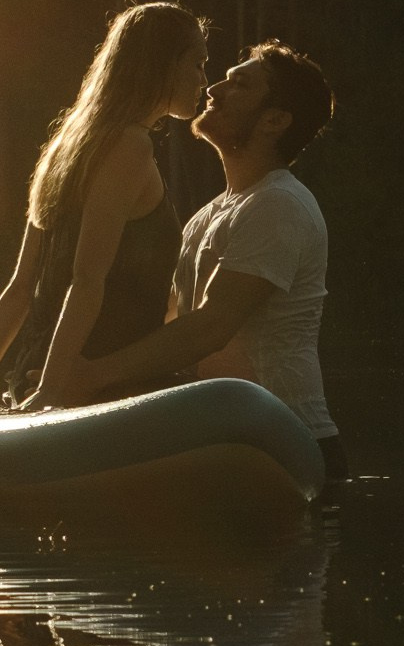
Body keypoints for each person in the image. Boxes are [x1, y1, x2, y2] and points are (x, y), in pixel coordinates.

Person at [78, 39, 342, 482]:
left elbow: (210, 328)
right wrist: (74, 371)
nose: (214, 88)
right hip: (226, 445)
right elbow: (170, 322)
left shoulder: (278, 204)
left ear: (274, 121)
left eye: (239, 85)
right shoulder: (213, 213)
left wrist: (92, 376)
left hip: (291, 451)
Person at [0, 1, 208, 411]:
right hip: (90, 390)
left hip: (35, 373)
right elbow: (87, 280)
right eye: (197, 64)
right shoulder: (130, 146)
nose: (203, 80)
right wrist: (52, 393)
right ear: (163, 64)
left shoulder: (67, 144)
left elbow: (19, 289)